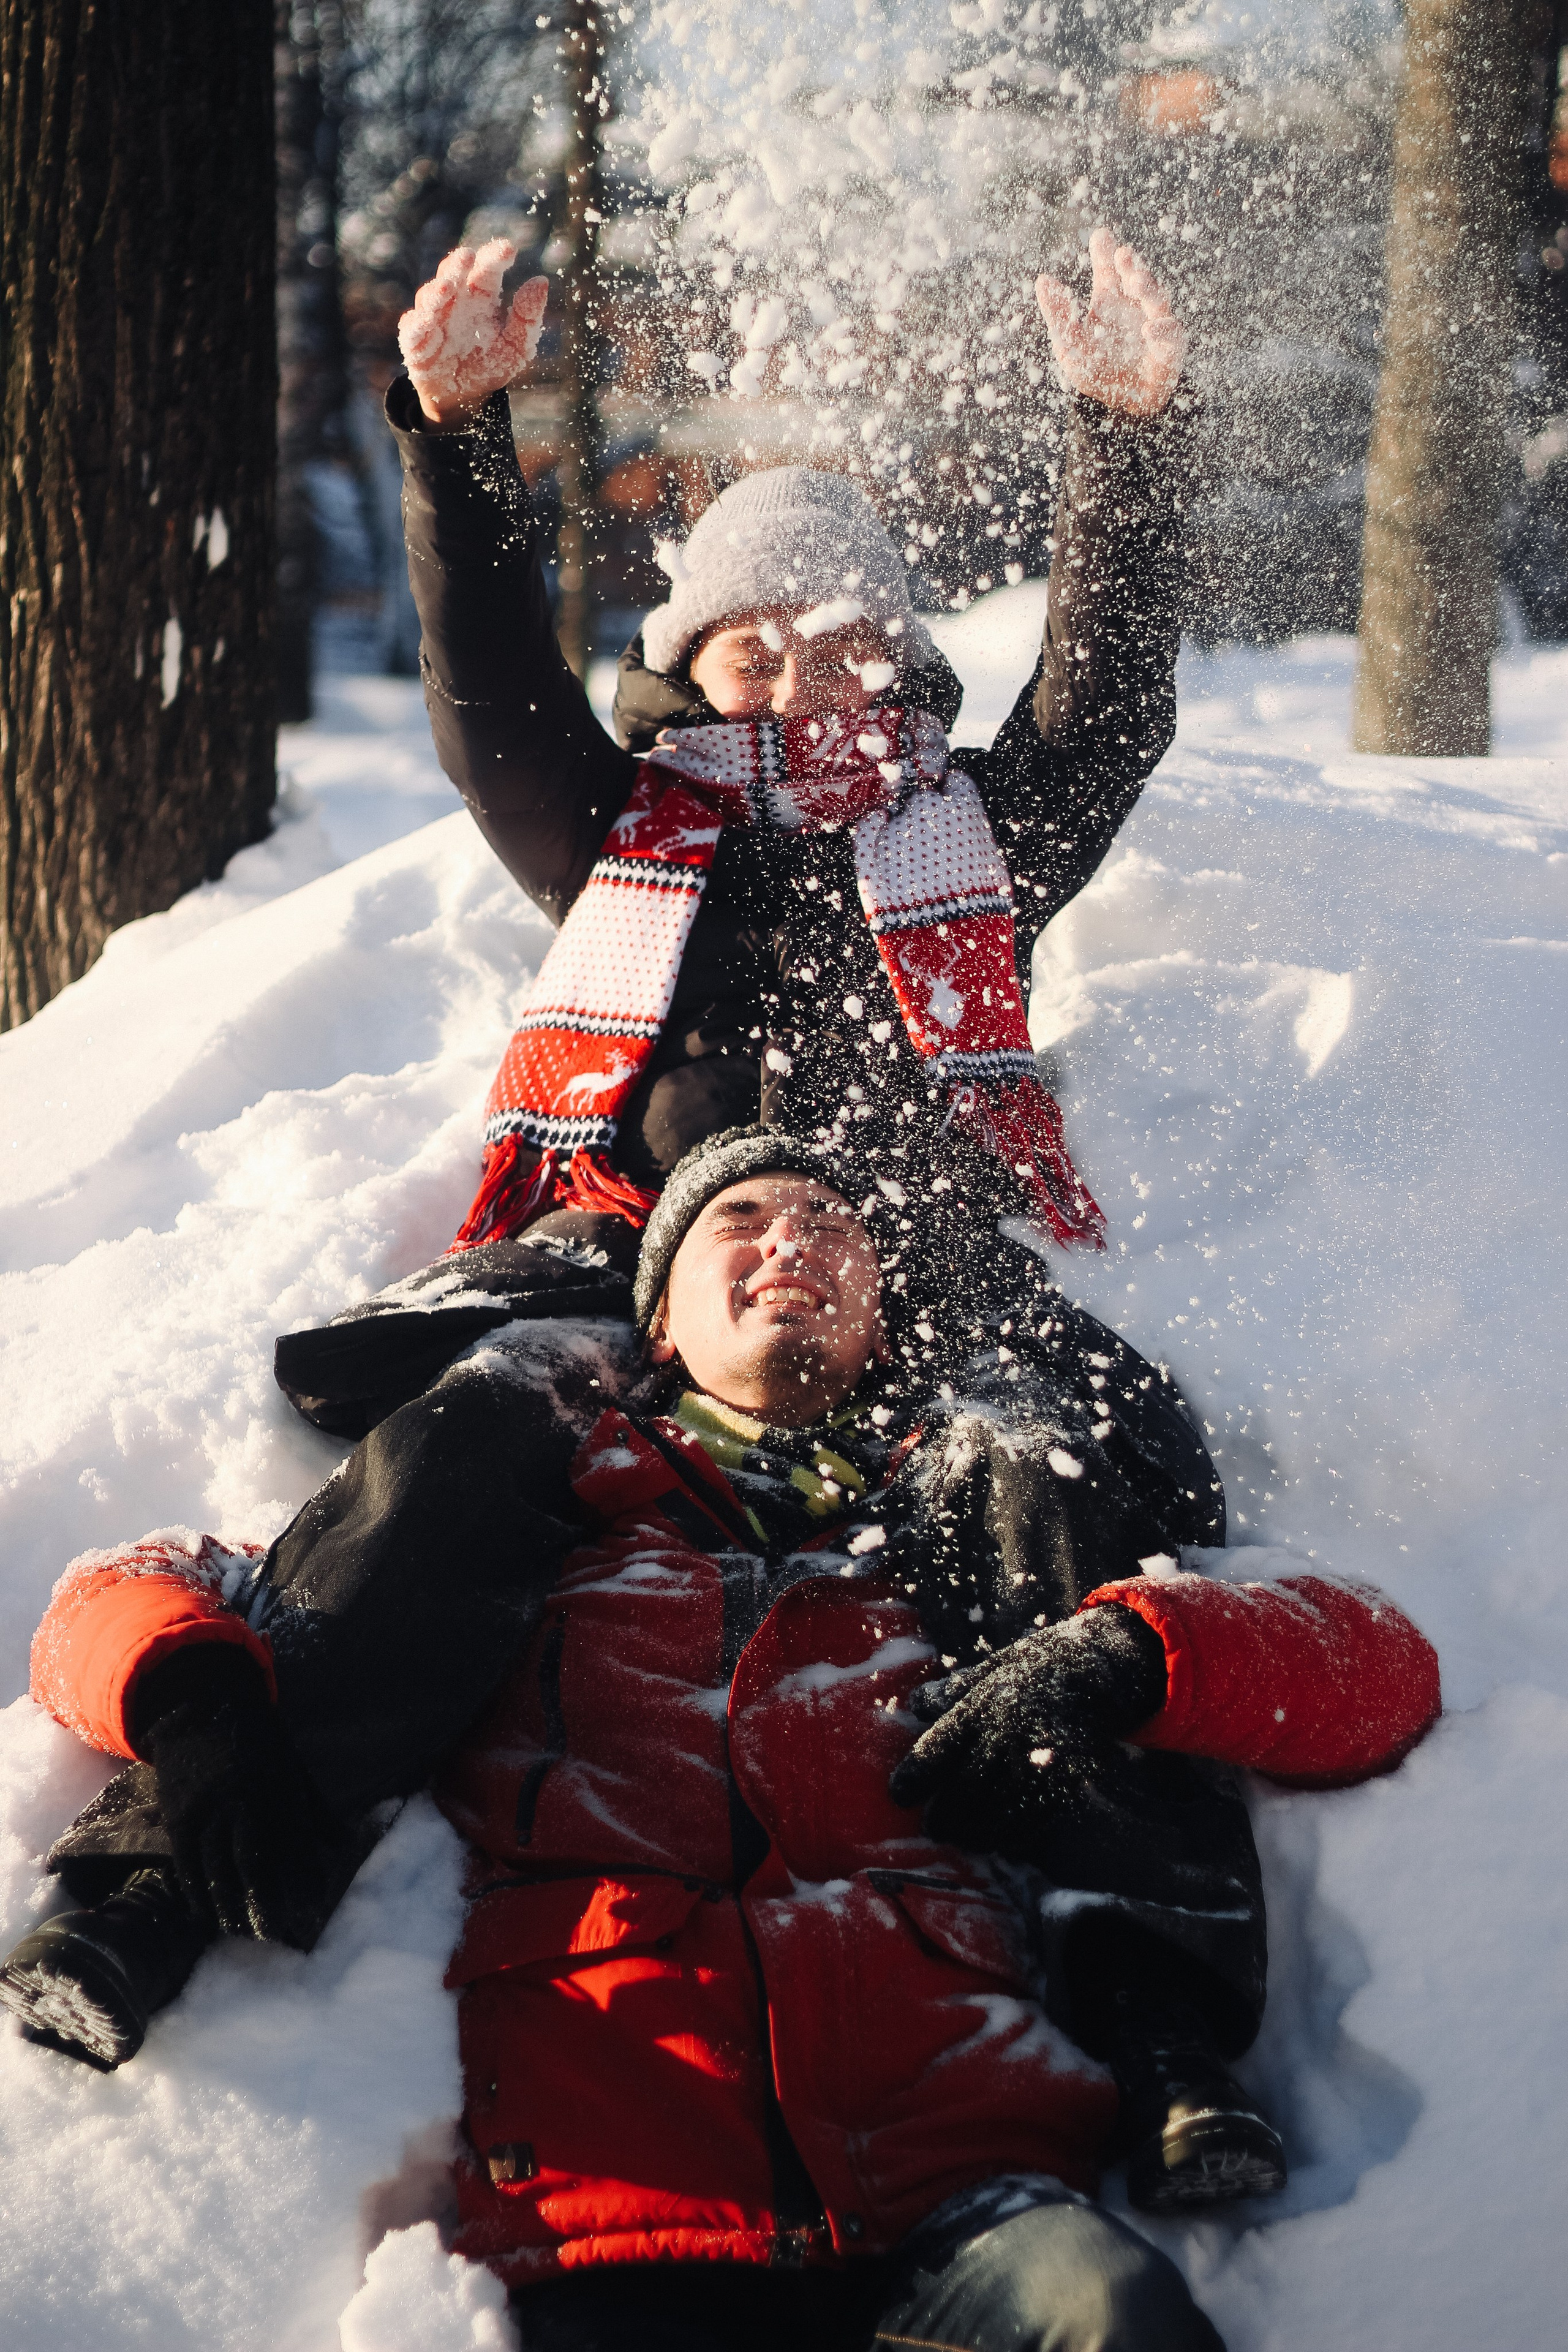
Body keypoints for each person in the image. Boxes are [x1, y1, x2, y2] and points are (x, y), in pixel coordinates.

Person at [2, 1133, 1441, 2352]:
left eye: (832, 1226)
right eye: (737, 1221)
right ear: (661, 1321)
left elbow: (1375, 1664)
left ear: (879, 1321)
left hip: (974, 2198)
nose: (790, 1241)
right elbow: (114, 1595)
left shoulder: (966, 1547)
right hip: (613, 2202)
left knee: (1110, 2316)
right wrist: (193, 1707)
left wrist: (1128, 1654)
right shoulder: (532, 1530)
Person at [271, 224, 1197, 1443]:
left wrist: (1125, 444)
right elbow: (490, 689)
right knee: (456, 1422)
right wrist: (455, 434)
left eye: (839, 646)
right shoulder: (617, 827)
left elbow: (1105, 711)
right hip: (639, 1249)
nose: (800, 680)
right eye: (753, 653)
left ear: (898, 664)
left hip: (907, 1268)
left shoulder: (976, 828)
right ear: (690, 669)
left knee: (1057, 1454)